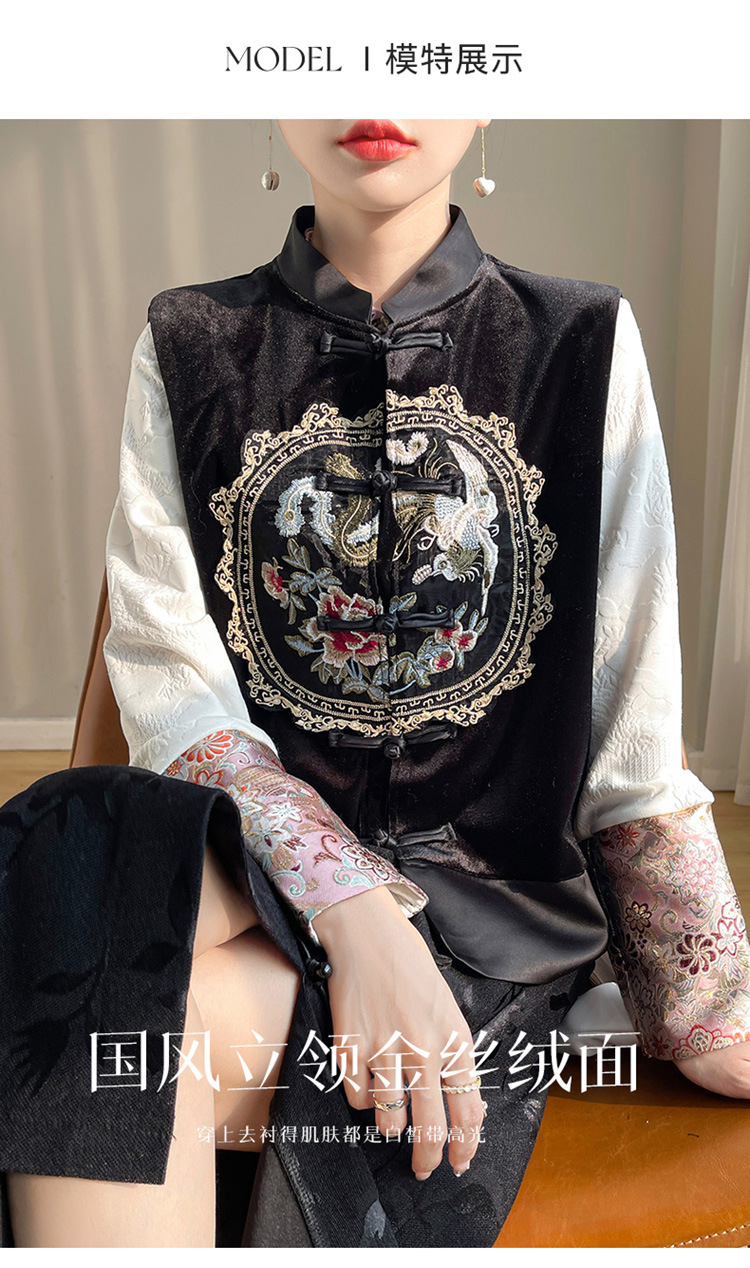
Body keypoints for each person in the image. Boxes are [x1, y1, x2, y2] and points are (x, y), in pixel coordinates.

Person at [2, 118, 750, 1249]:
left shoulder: (582, 340)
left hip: (487, 929)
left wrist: (707, 1007)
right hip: (255, 865)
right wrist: (356, 911)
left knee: (93, 1016)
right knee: (67, 832)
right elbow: (175, 698)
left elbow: (629, 728)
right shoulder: (189, 341)